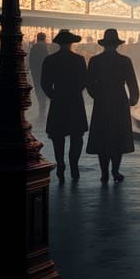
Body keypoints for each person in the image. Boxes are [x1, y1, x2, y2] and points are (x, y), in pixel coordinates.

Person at [86, 29, 140, 183]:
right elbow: (132, 82)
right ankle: (115, 171)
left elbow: (89, 84)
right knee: (118, 136)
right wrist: (133, 99)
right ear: (117, 45)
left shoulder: (95, 61)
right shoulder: (125, 60)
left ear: (104, 45)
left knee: (102, 136)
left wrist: (97, 95)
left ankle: (104, 173)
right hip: (119, 100)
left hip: (102, 101)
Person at [41, 29, 89, 183]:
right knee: (77, 136)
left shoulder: (50, 60)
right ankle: (74, 164)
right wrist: (75, 91)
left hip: (58, 101)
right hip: (75, 101)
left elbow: (45, 83)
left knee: (58, 137)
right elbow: (84, 81)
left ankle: (60, 163)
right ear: (71, 43)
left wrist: (53, 95)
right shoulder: (79, 59)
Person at [28, 31, 50, 112]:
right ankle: (43, 104)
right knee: (44, 87)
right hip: (44, 72)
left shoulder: (34, 47)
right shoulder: (46, 47)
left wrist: (32, 70)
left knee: (38, 88)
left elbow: (30, 60)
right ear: (44, 39)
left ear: (37, 38)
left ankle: (41, 104)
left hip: (36, 72)